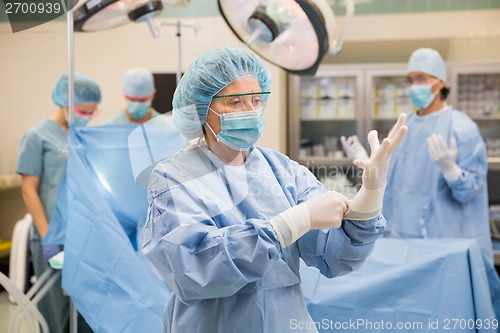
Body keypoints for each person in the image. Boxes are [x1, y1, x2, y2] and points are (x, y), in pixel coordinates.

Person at [142, 46, 407, 332]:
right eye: (235, 103)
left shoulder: (282, 170)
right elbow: (193, 268)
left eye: (256, 100)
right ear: (202, 108)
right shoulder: (174, 177)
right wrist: (287, 225)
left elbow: (336, 253)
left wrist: (371, 193)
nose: (250, 111)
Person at [341, 48, 493, 265]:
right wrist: (370, 163)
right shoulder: (405, 125)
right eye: (409, 80)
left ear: (440, 82)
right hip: (400, 238)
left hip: (445, 242)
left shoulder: (462, 128)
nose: (413, 86)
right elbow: (390, 182)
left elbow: (472, 193)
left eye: (420, 78)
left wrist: (452, 172)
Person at [16, 72, 101, 332]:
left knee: (88, 310)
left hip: (83, 235)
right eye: (84, 111)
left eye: (92, 112)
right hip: (52, 234)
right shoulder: (37, 136)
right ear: (66, 104)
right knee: (55, 312)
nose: (88, 116)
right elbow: (28, 189)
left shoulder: (81, 137)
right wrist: (47, 237)